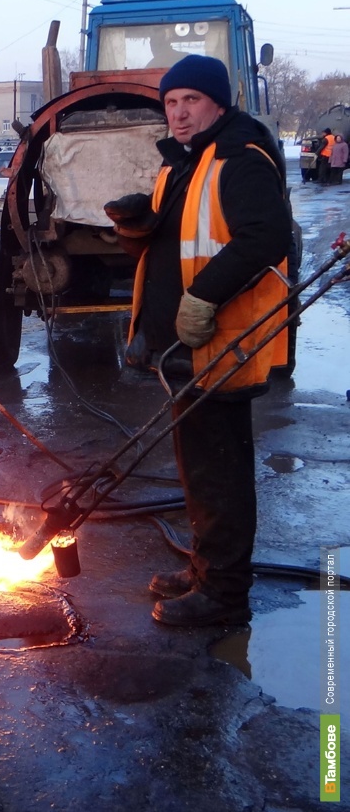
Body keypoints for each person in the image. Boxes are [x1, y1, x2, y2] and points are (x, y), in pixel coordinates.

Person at [104, 54, 291, 628]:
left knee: (220, 472)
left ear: (218, 103)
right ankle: (208, 566)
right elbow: (176, 240)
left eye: (192, 101)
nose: (180, 114)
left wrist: (205, 295)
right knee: (196, 467)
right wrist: (140, 226)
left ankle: (225, 595)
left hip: (223, 342)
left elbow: (264, 236)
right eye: (171, 103)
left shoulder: (240, 158)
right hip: (185, 350)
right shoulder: (185, 163)